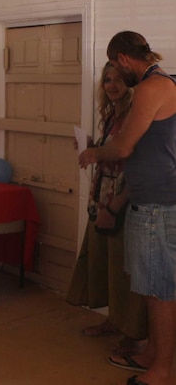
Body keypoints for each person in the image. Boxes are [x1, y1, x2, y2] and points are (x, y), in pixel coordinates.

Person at [79, 31, 176, 385]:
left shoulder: (152, 87)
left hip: (156, 203)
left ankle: (162, 371)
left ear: (122, 58)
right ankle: (153, 353)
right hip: (155, 198)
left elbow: (123, 148)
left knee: (159, 289)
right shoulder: (164, 83)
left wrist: (92, 153)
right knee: (153, 284)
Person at [68, 63, 147, 356]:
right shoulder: (112, 115)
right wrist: (90, 148)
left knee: (125, 272)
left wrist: (114, 206)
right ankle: (115, 321)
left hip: (121, 204)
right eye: (107, 80)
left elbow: (134, 165)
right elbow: (111, 153)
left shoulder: (135, 115)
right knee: (107, 267)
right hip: (102, 198)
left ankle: (134, 336)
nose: (111, 85)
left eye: (118, 80)